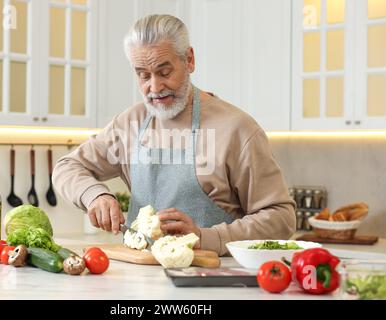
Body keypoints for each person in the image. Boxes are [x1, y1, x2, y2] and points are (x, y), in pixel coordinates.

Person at [52, 14, 296, 256]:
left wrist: (206, 238)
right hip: (139, 283)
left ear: (189, 60)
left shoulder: (237, 129)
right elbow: (67, 166)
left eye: (164, 72)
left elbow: (281, 218)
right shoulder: (130, 124)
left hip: (214, 282)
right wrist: (94, 195)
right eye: (143, 75)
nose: (155, 88)